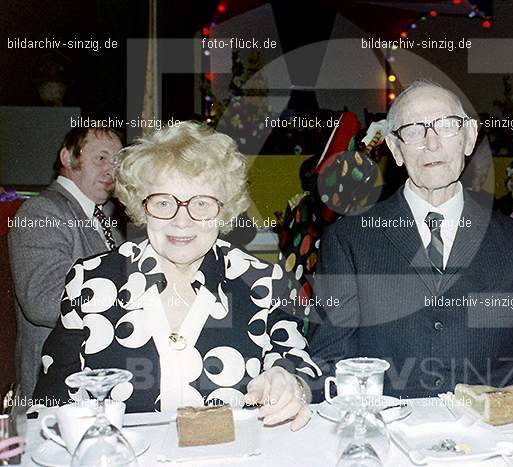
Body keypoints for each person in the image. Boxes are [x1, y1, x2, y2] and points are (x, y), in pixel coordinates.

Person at [34, 122, 320, 430]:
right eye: (163, 202)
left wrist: (293, 385)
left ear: (223, 212)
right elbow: (48, 407)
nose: (181, 221)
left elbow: (303, 371)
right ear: (142, 207)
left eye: (201, 203)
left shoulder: (263, 281)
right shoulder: (90, 280)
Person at [310, 80, 513, 399]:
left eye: (446, 126)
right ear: (395, 149)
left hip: (491, 434)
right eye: (413, 130)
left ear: (469, 138)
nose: (431, 143)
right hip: (390, 429)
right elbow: (331, 359)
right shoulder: (349, 240)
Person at [9, 126, 124, 399]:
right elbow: (43, 301)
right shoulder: (42, 211)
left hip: (92, 371)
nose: (112, 170)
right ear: (68, 158)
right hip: (58, 382)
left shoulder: (101, 215)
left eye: (117, 161)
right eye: (101, 158)